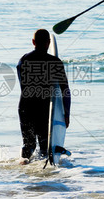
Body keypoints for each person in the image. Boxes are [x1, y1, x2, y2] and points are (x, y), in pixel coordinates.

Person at [17, 29, 71, 162]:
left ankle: (24, 163)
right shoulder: (55, 62)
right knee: (44, 147)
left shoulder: (24, 60)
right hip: (44, 108)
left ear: (33, 42)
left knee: (29, 144)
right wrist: (66, 113)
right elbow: (65, 90)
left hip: (25, 106)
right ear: (48, 43)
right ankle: (45, 174)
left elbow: (24, 85)